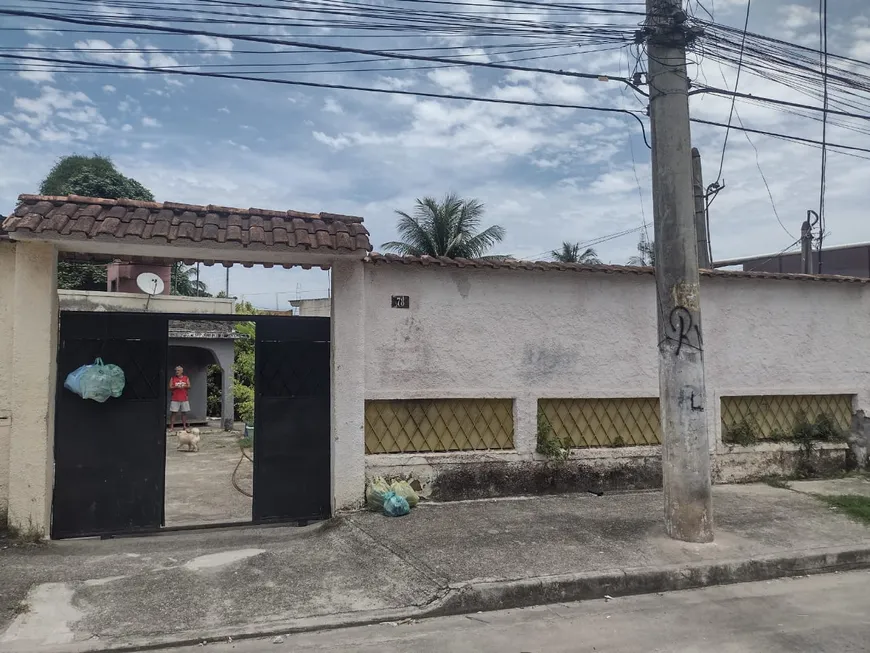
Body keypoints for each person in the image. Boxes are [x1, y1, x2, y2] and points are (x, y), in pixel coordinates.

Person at [169, 365, 191, 431]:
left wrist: (184, 386)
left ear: (182, 371)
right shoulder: (172, 378)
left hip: (184, 398)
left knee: (184, 413)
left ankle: (184, 426)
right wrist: (176, 387)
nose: (176, 372)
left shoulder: (186, 378)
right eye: (176, 370)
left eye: (178, 370)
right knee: (173, 413)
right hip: (175, 398)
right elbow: (170, 387)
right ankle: (172, 427)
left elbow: (189, 386)